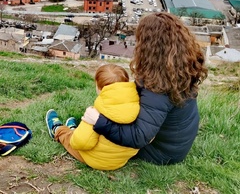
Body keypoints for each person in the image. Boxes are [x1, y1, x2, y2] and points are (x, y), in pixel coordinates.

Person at [82, 12, 208, 165]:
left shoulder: (158, 86)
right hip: (175, 145)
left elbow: (139, 137)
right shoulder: (180, 68)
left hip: (161, 153)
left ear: (149, 47)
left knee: (97, 142)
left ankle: (60, 131)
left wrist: (99, 121)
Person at [46, 64, 140, 170]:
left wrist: (73, 137)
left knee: (69, 138)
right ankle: (73, 129)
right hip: (120, 161)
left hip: (96, 160)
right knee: (78, 134)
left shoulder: (98, 111)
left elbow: (80, 143)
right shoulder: (141, 107)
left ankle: (56, 128)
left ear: (99, 88)